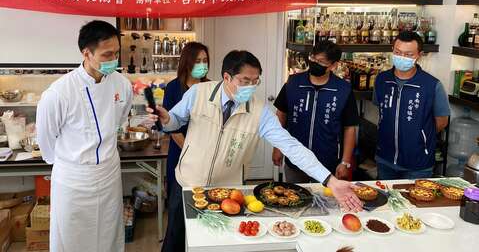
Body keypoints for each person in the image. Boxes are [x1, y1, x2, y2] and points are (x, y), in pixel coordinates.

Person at [150, 50, 363, 252]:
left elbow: (292, 146)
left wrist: (331, 181)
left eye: (255, 81)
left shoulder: (259, 111)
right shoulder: (199, 93)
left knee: (218, 244)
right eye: (245, 81)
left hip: (228, 192)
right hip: (187, 183)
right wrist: (166, 119)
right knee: (176, 242)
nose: (251, 87)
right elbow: (174, 120)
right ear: (227, 77)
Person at [36, 21, 133, 252]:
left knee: (109, 235)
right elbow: (46, 142)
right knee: (72, 239)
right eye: (107, 54)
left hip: (109, 175)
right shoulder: (59, 93)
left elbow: (119, 122)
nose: (113, 60)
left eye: (116, 53)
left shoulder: (122, 85)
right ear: (86, 53)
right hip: (74, 180)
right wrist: (73, 163)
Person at [272, 41, 359, 183]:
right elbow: (280, 115)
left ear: (333, 65)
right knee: (295, 199)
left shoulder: (343, 90)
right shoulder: (293, 83)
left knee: (325, 202)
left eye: (320, 61)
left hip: (327, 163)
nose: (314, 63)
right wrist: (277, 147)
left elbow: (350, 128)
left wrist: (345, 162)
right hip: (295, 159)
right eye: (312, 58)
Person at [373, 31, 450, 180]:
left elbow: (442, 121)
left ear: (419, 55)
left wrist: (417, 136)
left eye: (408, 54)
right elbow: (381, 110)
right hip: (385, 159)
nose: (402, 57)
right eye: (398, 52)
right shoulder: (382, 80)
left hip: (418, 164)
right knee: (386, 201)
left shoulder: (432, 85)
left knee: (417, 200)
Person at [163, 42, 210, 198]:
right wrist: (190, 152)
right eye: (197, 61)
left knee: (204, 199)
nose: (202, 65)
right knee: (179, 200)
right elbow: (171, 127)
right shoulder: (173, 88)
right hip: (180, 152)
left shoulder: (212, 87)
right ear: (187, 62)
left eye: (205, 60)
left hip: (206, 153)